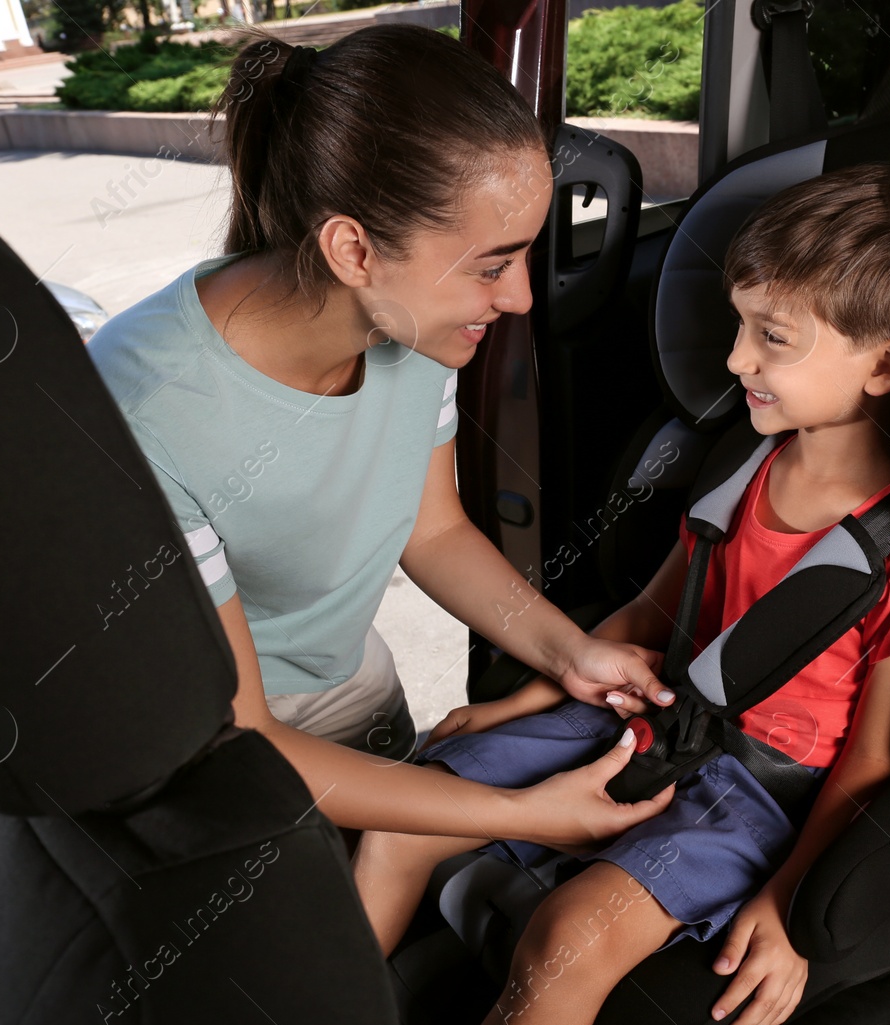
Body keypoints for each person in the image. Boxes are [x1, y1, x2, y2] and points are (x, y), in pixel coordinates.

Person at [351, 160, 890, 1025]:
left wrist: (792, 901)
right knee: (408, 809)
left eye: (772, 337)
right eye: (739, 327)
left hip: (762, 795)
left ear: (888, 363)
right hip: (658, 718)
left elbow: (870, 762)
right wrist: (517, 703)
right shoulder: (745, 463)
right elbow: (654, 608)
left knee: (566, 938)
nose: (735, 360)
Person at [86, 25, 679, 854]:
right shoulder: (146, 409)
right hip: (211, 739)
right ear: (353, 249)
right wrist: (522, 812)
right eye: (489, 265)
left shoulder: (411, 327)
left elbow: (432, 529)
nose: (517, 299)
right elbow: (244, 733)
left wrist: (572, 650)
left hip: (349, 678)